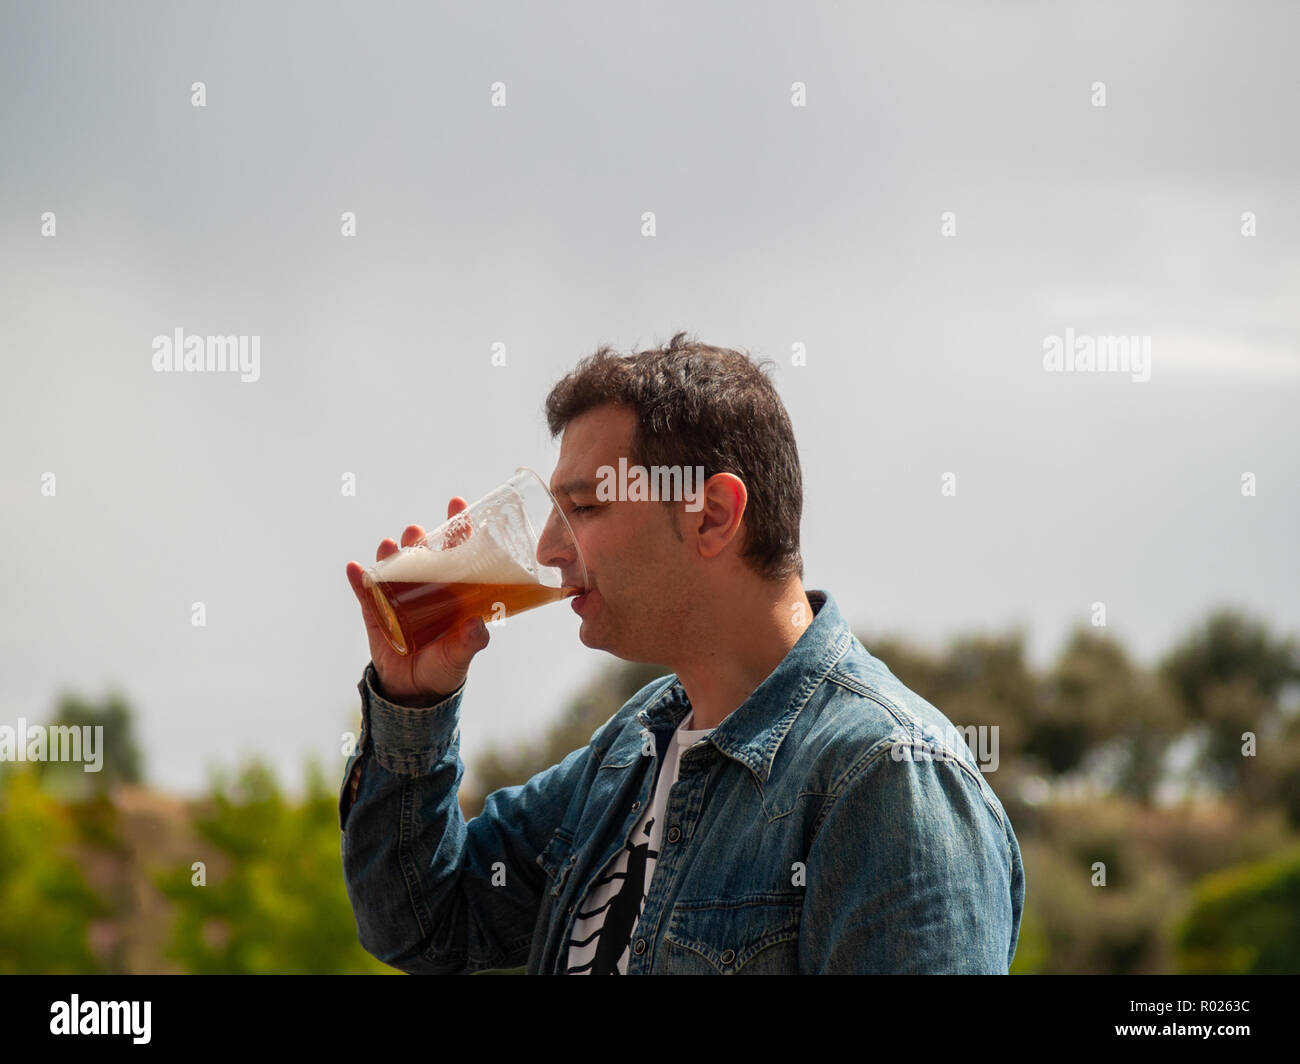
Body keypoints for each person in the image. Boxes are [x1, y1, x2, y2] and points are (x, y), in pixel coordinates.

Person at [339, 331, 1025, 974]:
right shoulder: (636, 747)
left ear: (713, 516)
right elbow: (423, 921)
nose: (547, 550)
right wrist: (413, 701)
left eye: (583, 508)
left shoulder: (889, 778)